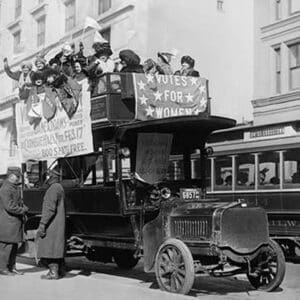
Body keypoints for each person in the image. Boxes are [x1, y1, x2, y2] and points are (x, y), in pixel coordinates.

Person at [36, 167, 66, 280]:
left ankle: (53, 273)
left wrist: (42, 224)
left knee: (50, 247)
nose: (46, 178)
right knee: (55, 247)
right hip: (57, 223)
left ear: (51, 176)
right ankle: (60, 270)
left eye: (47, 175)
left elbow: (49, 209)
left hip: (52, 225)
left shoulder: (53, 189)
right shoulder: (59, 187)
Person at [0, 167, 28, 276]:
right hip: (8, 223)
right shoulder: (6, 189)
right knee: (6, 247)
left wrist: (24, 207)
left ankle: (12, 267)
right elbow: (9, 206)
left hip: (13, 222)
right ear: (11, 176)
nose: (18, 178)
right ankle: (3, 268)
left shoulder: (13, 187)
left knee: (14, 246)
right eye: (17, 176)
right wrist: (23, 210)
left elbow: (19, 202)